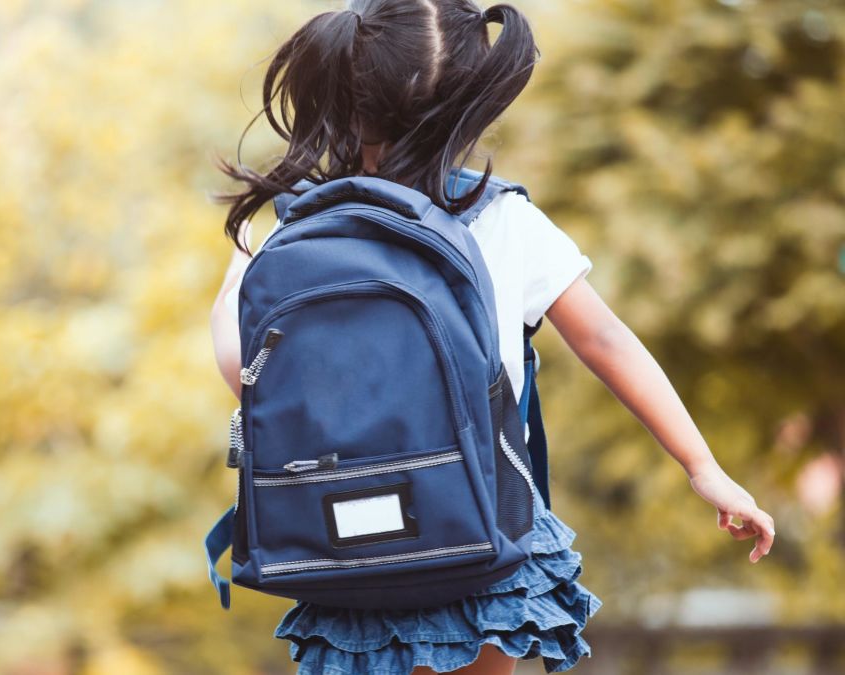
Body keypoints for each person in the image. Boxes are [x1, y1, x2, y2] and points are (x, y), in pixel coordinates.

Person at [208, 1, 777, 673]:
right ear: (470, 108)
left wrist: (250, 256)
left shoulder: (296, 229)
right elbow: (607, 342)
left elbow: (237, 361)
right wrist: (702, 466)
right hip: (477, 523)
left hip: (337, 529)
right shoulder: (503, 218)